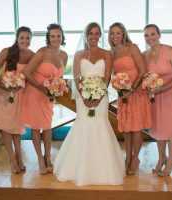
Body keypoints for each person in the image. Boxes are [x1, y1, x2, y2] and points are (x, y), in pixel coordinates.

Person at [53, 22, 125, 186]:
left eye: (96, 33)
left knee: (100, 124)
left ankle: (104, 168)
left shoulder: (107, 54)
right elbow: (77, 77)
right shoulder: (79, 54)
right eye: (90, 33)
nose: (93, 37)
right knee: (83, 124)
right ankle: (78, 167)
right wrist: (84, 95)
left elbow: (107, 77)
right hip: (82, 97)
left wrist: (99, 95)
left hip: (101, 97)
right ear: (86, 35)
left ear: (100, 35)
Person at [21, 24, 67, 174]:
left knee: (47, 126)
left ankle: (48, 157)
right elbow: (27, 73)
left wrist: (56, 89)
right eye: (52, 36)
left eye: (58, 36)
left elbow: (59, 77)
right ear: (48, 38)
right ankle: (40, 158)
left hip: (48, 95)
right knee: (35, 126)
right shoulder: (42, 52)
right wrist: (41, 88)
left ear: (62, 37)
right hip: (34, 92)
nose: (56, 39)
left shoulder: (64, 55)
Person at [143, 24, 172, 177]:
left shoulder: (169, 51)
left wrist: (164, 88)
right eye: (146, 35)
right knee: (159, 128)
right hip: (155, 97)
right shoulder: (145, 55)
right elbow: (142, 75)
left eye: (153, 34)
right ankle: (162, 158)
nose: (150, 38)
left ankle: (171, 161)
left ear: (159, 34)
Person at [0, 26, 34, 174]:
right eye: (22, 37)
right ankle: (12, 160)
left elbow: (29, 76)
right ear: (17, 38)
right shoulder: (6, 51)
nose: (25, 40)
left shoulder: (32, 55)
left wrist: (20, 86)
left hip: (19, 94)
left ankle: (19, 157)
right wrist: (3, 84)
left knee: (16, 126)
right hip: (2, 93)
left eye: (27, 38)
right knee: (6, 126)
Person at [108, 22, 152, 175]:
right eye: (112, 33)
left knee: (137, 127)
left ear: (123, 34)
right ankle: (128, 156)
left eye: (118, 33)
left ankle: (135, 158)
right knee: (127, 128)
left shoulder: (132, 48)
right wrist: (119, 88)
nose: (115, 36)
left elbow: (142, 71)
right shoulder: (111, 53)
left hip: (137, 92)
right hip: (123, 94)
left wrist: (131, 89)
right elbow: (113, 75)